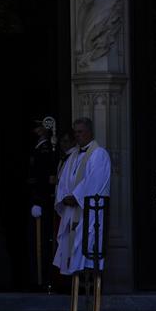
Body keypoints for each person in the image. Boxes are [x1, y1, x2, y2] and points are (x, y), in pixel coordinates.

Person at [53, 117, 112, 275]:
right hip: (72, 211)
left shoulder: (99, 154)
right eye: (76, 133)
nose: (77, 135)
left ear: (89, 132)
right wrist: (64, 197)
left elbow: (94, 182)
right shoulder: (73, 156)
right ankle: (73, 287)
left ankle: (88, 288)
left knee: (85, 249)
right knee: (70, 251)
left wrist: (75, 196)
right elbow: (64, 180)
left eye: (81, 132)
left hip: (87, 213)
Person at [27, 119, 59, 291]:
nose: (37, 130)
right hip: (36, 199)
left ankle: (43, 280)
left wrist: (39, 201)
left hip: (42, 200)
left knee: (42, 241)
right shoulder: (39, 147)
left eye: (39, 127)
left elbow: (45, 179)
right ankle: (37, 279)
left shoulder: (46, 149)